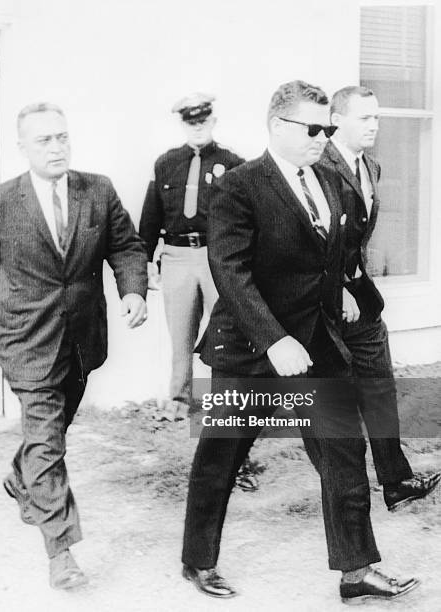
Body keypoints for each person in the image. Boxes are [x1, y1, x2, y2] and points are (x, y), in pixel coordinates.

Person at [181, 80, 419, 604]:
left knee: (344, 455)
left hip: (317, 347)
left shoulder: (331, 184)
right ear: (276, 126)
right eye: (312, 128)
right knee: (221, 457)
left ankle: (357, 573)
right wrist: (274, 340)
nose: (321, 137)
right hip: (248, 349)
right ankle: (197, 561)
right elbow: (231, 271)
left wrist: (349, 299)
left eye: (327, 128)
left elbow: (334, 257)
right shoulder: (240, 186)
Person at [0, 102, 148, 589]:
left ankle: (21, 477)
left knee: (47, 437)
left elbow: (126, 245)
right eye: (44, 140)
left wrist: (133, 288)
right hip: (26, 341)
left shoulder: (97, 189)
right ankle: (61, 552)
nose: (56, 148)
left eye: (62, 137)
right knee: (47, 439)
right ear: (23, 147)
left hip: (82, 341)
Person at [320, 85, 440, 510]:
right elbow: (310, 241)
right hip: (321, 303)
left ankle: (395, 481)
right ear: (337, 119)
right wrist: (337, 290)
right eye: (364, 118)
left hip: (360, 299)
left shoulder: (370, 166)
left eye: (376, 117)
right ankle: (344, 498)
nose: (374, 125)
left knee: (379, 386)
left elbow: (355, 238)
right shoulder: (317, 165)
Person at [139, 93, 244, 420]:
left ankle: (225, 402)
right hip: (177, 256)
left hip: (217, 257)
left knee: (225, 331)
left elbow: (243, 217)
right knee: (180, 332)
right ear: (183, 124)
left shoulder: (233, 163)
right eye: (191, 122)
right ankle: (179, 399)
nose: (197, 127)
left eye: (203, 121)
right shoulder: (166, 163)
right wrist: (145, 258)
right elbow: (151, 213)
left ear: (213, 121)